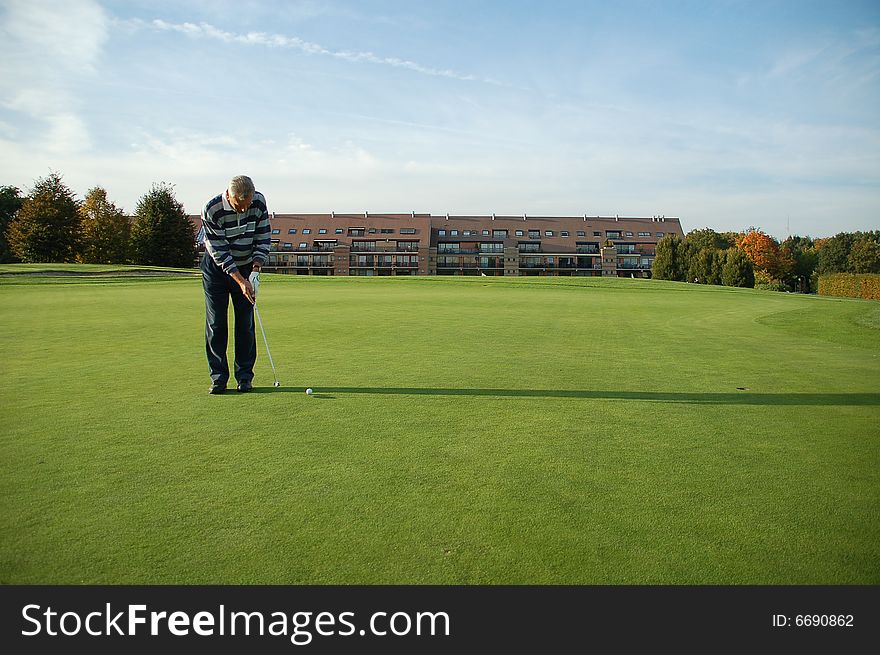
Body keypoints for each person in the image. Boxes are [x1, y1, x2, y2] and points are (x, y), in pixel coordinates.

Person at [200, 175, 271, 394]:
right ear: (230, 196)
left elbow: (263, 236)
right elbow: (219, 251)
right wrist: (239, 280)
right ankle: (219, 378)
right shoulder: (212, 209)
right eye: (241, 206)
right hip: (217, 271)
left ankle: (245, 377)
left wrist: (255, 272)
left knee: (245, 324)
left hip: (247, 266)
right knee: (217, 324)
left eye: (247, 204)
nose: (245, 209)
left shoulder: (258, 202)